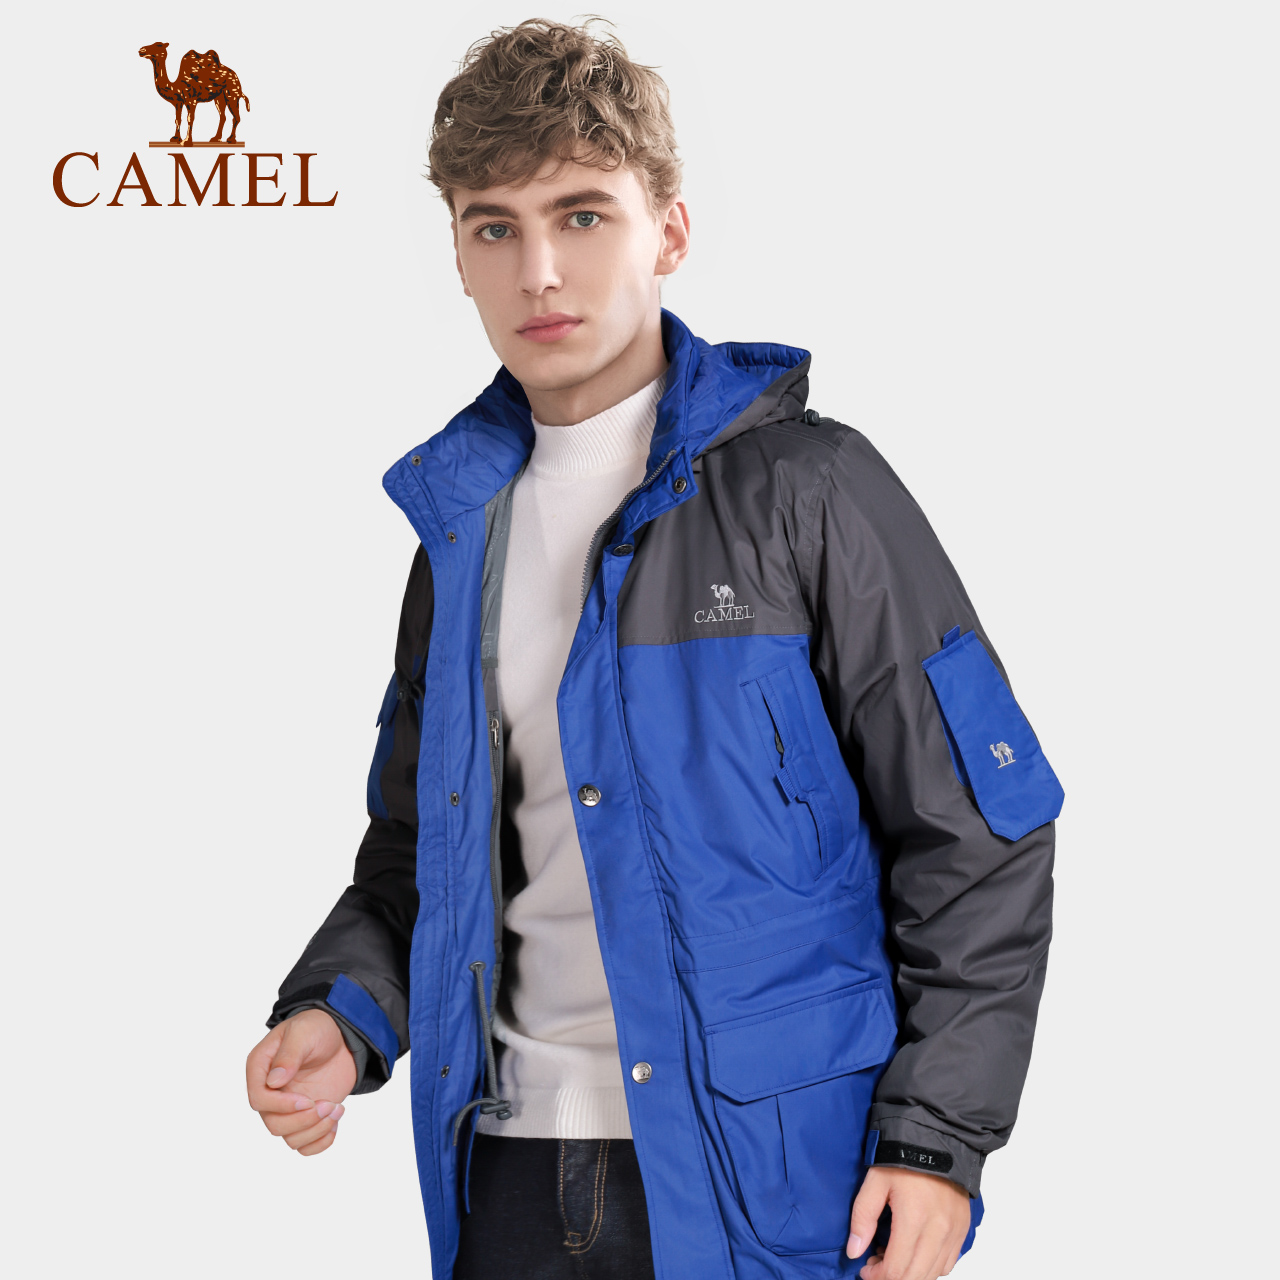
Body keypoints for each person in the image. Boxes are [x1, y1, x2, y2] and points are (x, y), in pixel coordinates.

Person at [244, 19, 1062, 1280]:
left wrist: (936, 1138)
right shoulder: (458, 539)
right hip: (504, 1175)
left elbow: (977, 832)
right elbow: (416, 858)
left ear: (667, 231)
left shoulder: (812, 492)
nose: (539, 273)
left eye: (581, 216)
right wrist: (336, 1012)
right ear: (457, 256)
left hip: (772, 1185)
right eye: (493, 228)